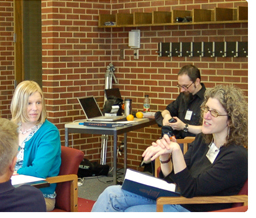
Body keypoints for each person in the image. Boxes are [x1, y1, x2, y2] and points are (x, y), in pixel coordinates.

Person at [91, 84, 248, 212]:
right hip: (178, 199)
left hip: (194, 209)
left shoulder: (237, 156)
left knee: (130, 212)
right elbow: (173, 180)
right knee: (110, 193)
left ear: (230, 121)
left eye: (214, 112)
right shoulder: (204, 139)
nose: (206, 115)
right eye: (206, 109)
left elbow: (191, 190)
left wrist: (176, 151)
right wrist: (165, 158)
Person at [10, 80, 61, 212]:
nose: (35, 108)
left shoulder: (49, 132)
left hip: (39, 196)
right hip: (10, 190)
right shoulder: (11, 128)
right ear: (19, 105)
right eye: (29, 103)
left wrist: (13, 172)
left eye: (38, 102)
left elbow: (39, 171)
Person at [161, 64, 205, 138]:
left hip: (195, 144)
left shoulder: (208, 99)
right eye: (180, 86)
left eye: (185, 86)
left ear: (197, 82)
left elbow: (208, 129)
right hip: (178, 140)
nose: (181, 90)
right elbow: (167, 110)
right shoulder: (183, 96)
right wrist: (166, 116)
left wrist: (184, 126)